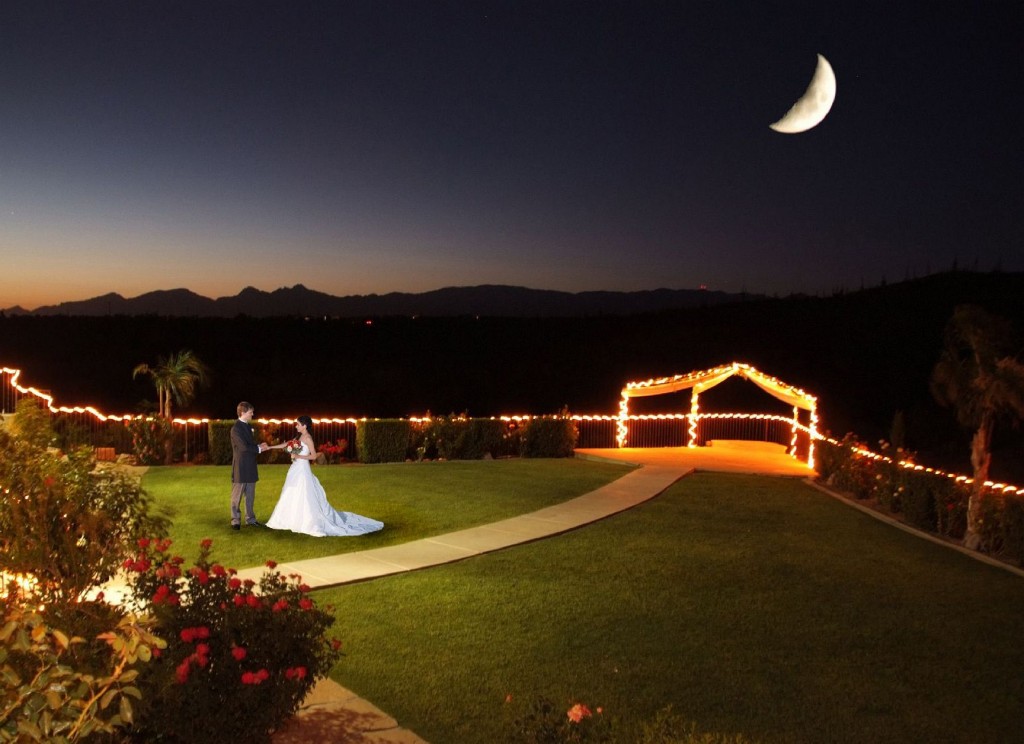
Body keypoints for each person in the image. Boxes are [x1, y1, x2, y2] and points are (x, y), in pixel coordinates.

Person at [266, 415, 384, 537]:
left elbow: (313, 456)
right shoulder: (299, 436)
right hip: (295, 468)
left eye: (298, 424)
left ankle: (308, 522)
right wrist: (270, 447)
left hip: (302, 469)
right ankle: (288, 519)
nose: (296, 426)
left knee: (305, 493)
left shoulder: (308, 438)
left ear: (304, 426)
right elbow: (287, 444)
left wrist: (298, 456)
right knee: (291, 492)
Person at [230, 401, 269, 530]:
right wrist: (258, 449)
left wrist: (259, 446)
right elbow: (243, 447)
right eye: (250, 411)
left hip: (251, 466)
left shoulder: (247, 426)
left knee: (250, 496)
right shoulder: (236, 429)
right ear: (243, 413)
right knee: (237, 496)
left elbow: (249, 444)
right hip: (241, 467)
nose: (252, 413)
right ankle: (235, 520)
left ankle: (250, 519)